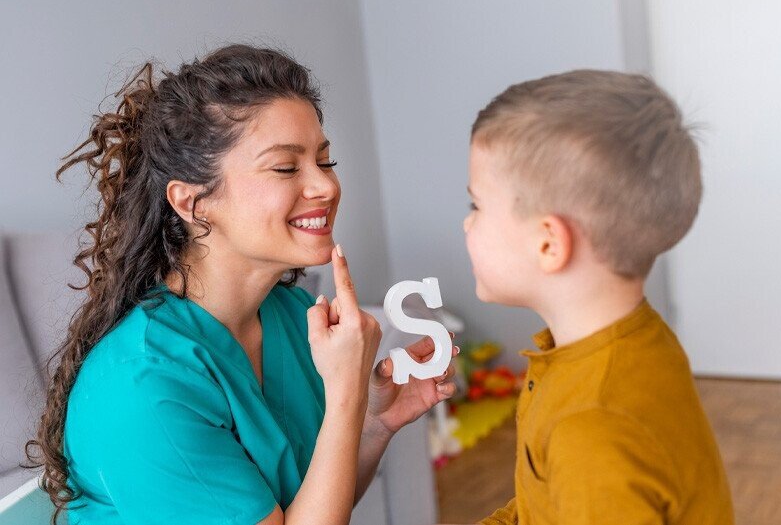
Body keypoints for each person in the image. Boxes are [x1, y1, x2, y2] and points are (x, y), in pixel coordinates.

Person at [26, 44, 458, 525]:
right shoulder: (145, 384)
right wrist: (346, 395)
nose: (327, 186)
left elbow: (309, 509)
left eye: (325, 160)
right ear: (193, 203)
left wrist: (374, 423)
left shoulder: (292, 315)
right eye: (286, 167)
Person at [459, 70, 733, 524]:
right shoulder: (631, 340)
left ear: (549, 243)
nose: (468, 224)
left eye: (476, 207)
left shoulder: (592, 428)